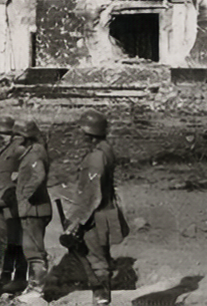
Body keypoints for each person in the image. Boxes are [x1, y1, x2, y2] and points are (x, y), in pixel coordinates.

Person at [62, 110, 129, 306]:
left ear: (88, 133)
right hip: (104, 213)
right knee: (101, 258)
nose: (79, 135)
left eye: (82, 132)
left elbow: (92, 194)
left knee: (95, 261)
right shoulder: (105, 150)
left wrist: (76, 221)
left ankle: (101, 300)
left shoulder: (96, 158)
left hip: (94, 217)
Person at [0, 114, 26, 299]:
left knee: (15, 240)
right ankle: (6, 275)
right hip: (1, 202)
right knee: (3, 239)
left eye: (3, 133)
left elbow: (25, 173)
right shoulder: (6, 148)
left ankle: (19, 277)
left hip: (12, 202)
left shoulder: (19, 148)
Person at [15, 120, 52, 296]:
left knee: (34, 251)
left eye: (18, 135)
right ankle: (34, 286)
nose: (15, 138)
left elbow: (39, 176)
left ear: (26, 137)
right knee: (32, 249)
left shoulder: (36, 152)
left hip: (33, 209)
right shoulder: (34, 150)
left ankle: (37, 289)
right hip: (33, 208)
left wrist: (23, 194)